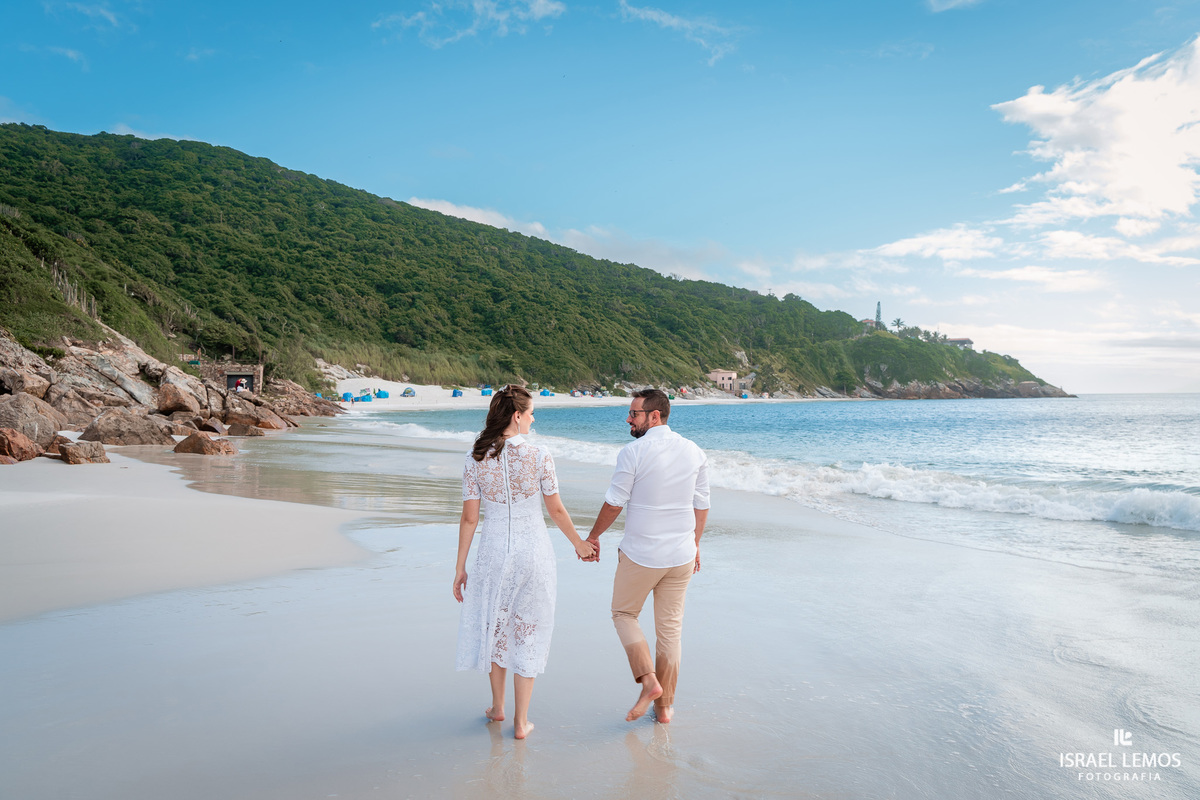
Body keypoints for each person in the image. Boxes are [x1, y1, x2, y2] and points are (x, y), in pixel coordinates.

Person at [454, 385, 596, 739]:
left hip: (492, 553)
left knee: (497, 629)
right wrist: (579, 544)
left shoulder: (475, 456)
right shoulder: (539, 455)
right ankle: (521, 721)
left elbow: (470, 518)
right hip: (533, 553)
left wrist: (460, 567)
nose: (533, 418)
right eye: (530, 412)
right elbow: (556, 509)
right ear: (516, 415)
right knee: (527, 630)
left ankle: (498, 707)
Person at [582, 388, 709, 724]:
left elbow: (614, 502)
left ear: (655, 416)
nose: (628, 419)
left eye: (634, 413)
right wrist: (695, 544)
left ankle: (649, 681)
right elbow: (702, 504)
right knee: (670, 632)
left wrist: (593, 537)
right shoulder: (694, 451)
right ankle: (665, 708)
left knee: (623, 613)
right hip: (681, 555)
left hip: (641, 554)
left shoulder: (633, 452)